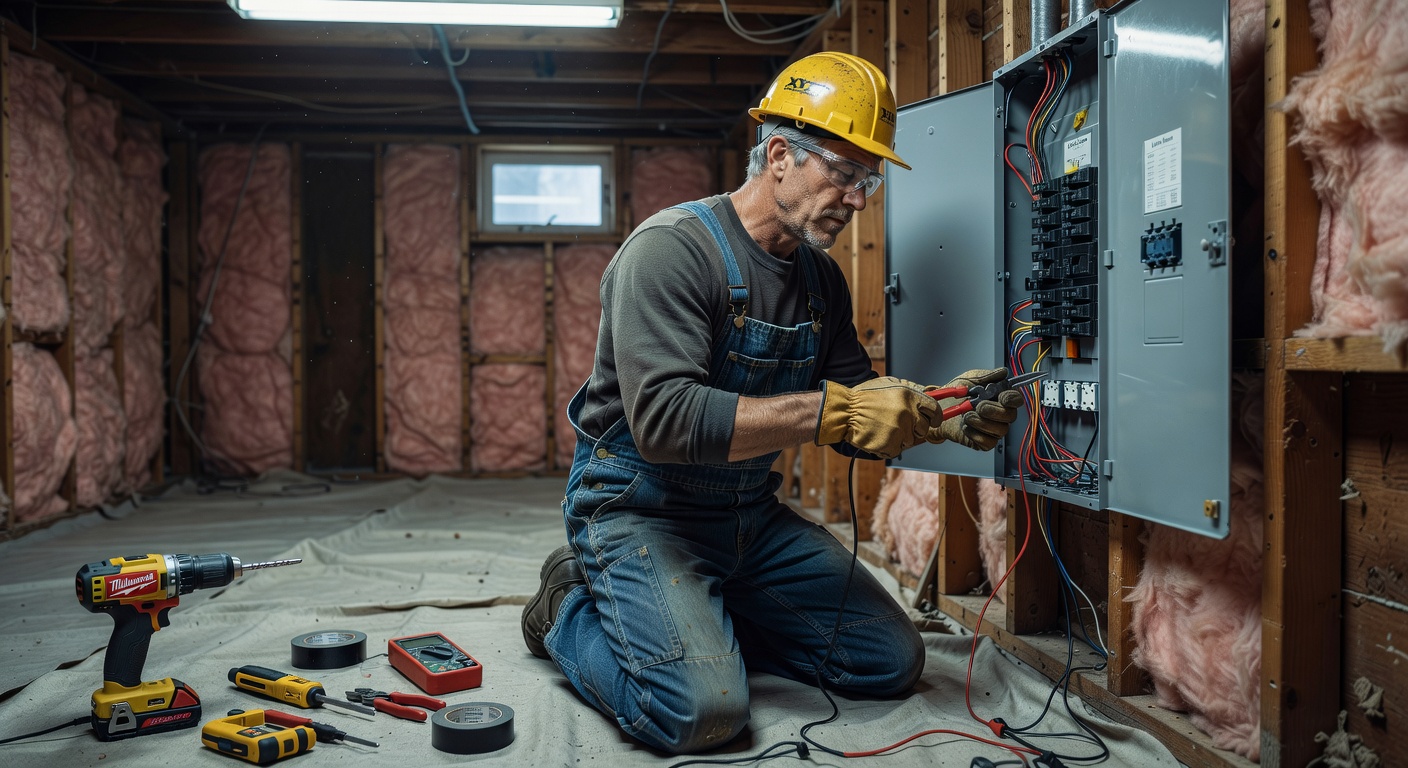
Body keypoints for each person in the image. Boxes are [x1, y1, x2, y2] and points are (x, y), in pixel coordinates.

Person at [521, 51, 1024, 755]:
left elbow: (856, 409)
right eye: (843, 175)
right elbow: (667, 422)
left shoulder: (820, 280)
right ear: (780, 154)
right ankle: (568, 606)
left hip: (746, 517)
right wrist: (833, 411)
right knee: (700, 712)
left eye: (867, 181)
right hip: (641, 510)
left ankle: (697, 622)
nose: (857, 199)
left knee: (888, 661)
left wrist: (943, 413)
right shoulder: (670, 253)